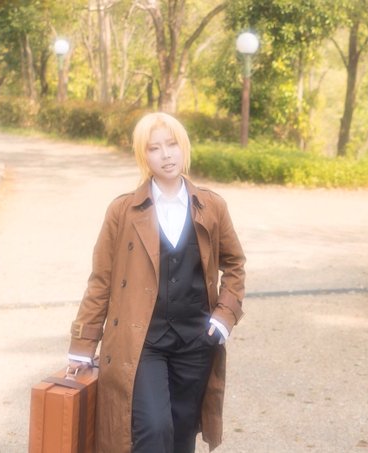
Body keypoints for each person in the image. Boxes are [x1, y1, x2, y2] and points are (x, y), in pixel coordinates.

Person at [67, 112, 246, 453]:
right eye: (154, 148)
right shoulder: (122, 211)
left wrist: (224, 317)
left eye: (172, 144)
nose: (166, 155)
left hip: (195, 340)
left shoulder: (212, 206)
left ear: (184, 147)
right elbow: (101, 280)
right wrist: (83, 343)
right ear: (143, 156)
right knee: (153, 429)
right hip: (142, 341)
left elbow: (235, 265)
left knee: (181, 436)